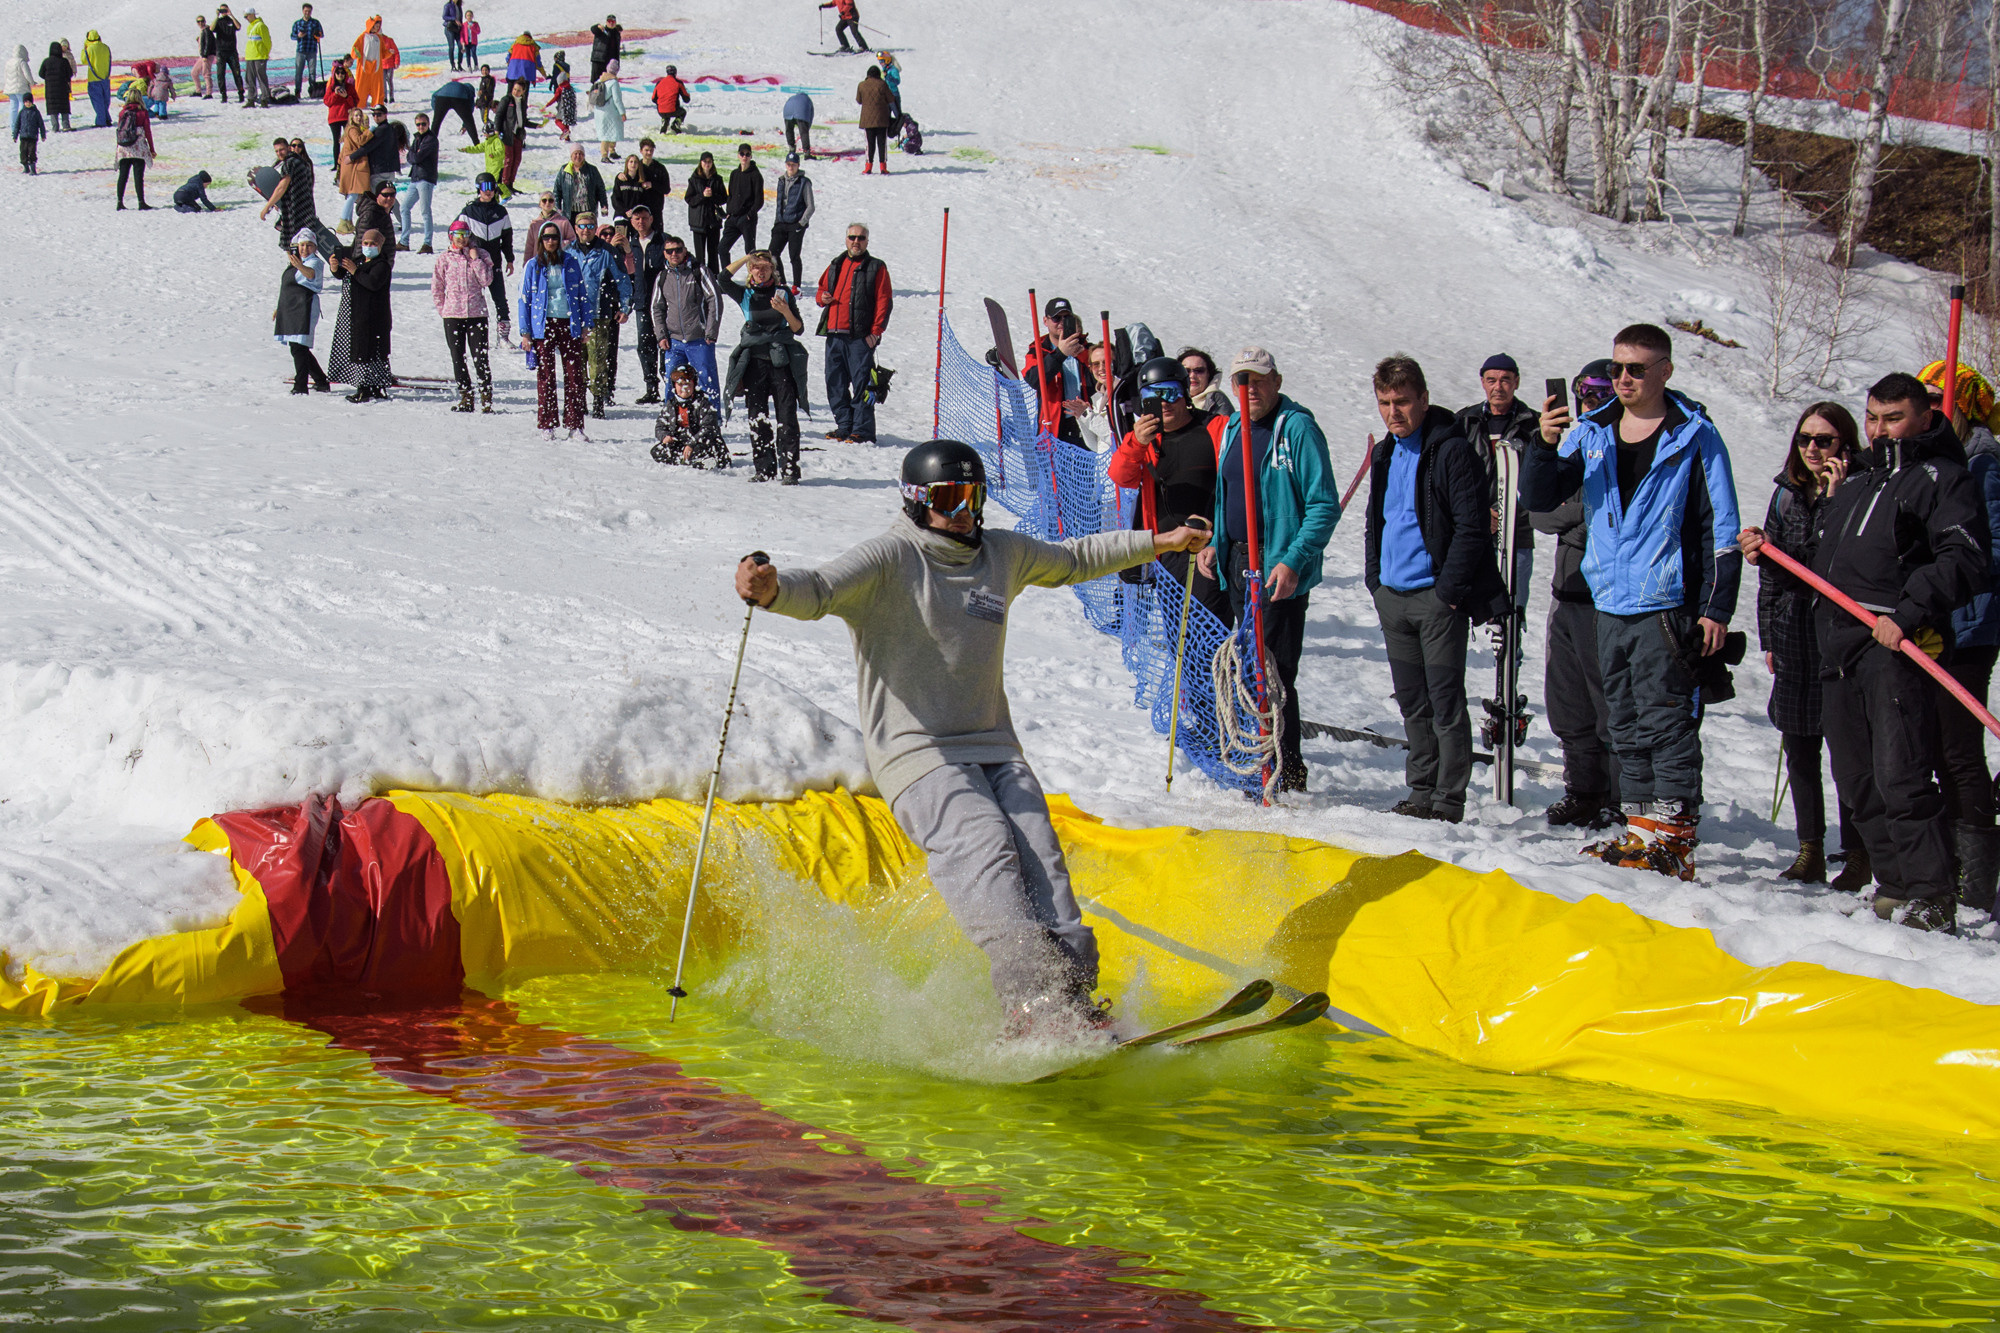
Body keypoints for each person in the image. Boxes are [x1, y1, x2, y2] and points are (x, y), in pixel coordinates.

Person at [734, 440, 1213, 1037]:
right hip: (915, 752)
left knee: (1042, 857)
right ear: (915, 502)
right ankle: (1030, 1002)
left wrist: (1159, 542)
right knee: (982, 841)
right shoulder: (892, 558)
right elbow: (823, 589)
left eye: (972, 496)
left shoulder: (1001, 554)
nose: (963, 511)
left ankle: (1072, 1000)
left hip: (991, 743)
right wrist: (773, 590)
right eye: (948, 498)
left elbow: (1074, 558)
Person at [1744, 373, 1986, 930]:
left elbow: (1966, 558)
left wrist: (1907, 613)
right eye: (1872, 417)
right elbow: (1829, 564)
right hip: (1839, 644)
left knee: (1900, 774)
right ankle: (1896, 880)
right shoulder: (1858, 481)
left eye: (1892, 418)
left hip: (1895, 644)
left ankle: (1932, 892)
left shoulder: (1943, 478)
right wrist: (1772, 552)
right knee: (1855, 781)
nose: (1878, 430)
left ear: (1924, 416)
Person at [1523, 323, 1742, 881]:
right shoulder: (1593, 430)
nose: (1623, 378)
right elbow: (1540, 498)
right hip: (1607, 600)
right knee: (1622, 721)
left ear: (1665, 371)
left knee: (1665, 720)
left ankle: (1676, 836)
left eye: (1637, 368)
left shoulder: (1695, 434)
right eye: (1617, 368)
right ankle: (1641, 829)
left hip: (1665, 602)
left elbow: (1722, 526)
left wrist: (1716, 608)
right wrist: (1544, 447)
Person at [1189, 348, 1343, 796]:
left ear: (1276, 380)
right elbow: (1226, 492)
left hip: (1275, 567)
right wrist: (1218, 541)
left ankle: (1284, 771)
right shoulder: (1235, 426)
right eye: (1241, 380)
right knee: (1248, 668)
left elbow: (1322, 505)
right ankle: (1259, 760)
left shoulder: (1297, 429)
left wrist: (1293, 561)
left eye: (1258, 379)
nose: (1249, 389)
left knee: (1272, 674)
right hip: (1237, 560)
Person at [1359, 354, 1502, 821]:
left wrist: (1448, 592)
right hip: (1393, 598)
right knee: (1412, 702)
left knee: (1445, 701)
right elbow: (1375, 523)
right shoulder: (1384, 452)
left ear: (1423, 398)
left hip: (1435, 598)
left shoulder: (1450, 449)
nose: (1393, 412)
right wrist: (1375, 581)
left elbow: (1471, 527)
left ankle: (1448, 798)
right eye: (1385, 403)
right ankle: (1421, 789)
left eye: (1402, 401)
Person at [1751, 402, 1864, 886]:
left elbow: (1833, 559)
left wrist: (1835, 498)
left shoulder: (1862, 491)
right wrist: (1769, 635)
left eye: (1825, 440)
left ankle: (1859, 851)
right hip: (1794, 630)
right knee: (1800, 748)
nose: (1813, 449)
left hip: (1840, 634)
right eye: (1805, 439)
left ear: (1845, 445)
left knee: (1848, 752)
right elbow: (1772, 575)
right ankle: (1809, 848)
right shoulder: (1785, 494)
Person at [1526, 359, 1620, 831]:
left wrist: (1578, 513)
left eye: (1602, 392)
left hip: (1607, 598)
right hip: (1566, 592)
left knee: (1609, 705)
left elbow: (1612, 514)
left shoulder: (1622, 443)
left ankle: (1619, 798)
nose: (1591, 401)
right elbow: (1539, 512)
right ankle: (1583, 790)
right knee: (1568, 703)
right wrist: (1582, 514)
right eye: (1585, 392)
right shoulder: (1575, 445)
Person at [1922, 360, 2000, 911]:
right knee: (1928, 744)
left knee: (1958, 747)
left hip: (1968, 625)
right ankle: (1942, 854)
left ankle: (1974, 877)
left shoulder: (1983, 463)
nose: (1929, 405)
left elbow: (1988, 550)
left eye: (1936, 396)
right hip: (1932, 622)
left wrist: (1960, 613)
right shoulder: (1932, 462)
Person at [1108, 357, 1230, 624]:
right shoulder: (1145, 438)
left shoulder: (1214, 427)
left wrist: (1221, 538)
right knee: (1177, 634)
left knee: (1205, 630)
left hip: (1207, 549)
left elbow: (1236, 481)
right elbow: (1121, 477)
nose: (1164, 402)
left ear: (1184, 392)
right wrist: (1137, 443)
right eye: (1153, 395)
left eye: (1171, 392)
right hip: (1167, 551)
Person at [1455, 352, 1541, 624]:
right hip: (1472, 533)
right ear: (1482, 382)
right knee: (1461, 610)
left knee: (1511, 614)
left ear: (1516, 382)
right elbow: (1455, 479)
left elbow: (1539, 483)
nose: (1498, 386)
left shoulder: (1535, 425)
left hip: (1518, 536)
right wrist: (1480, 515)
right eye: (1491, 380)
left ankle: (1509, 663)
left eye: (1505, 380)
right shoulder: (1464, 422)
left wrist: (1507, 515)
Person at [720, 250, 808, 483]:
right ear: (750, 270)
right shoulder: (745, 293)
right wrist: (745, 258)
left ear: (773, 270)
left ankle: (790, 470)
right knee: (757, 417)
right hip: (754, 363)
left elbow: (798, 328)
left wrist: (785, 311)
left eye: (765, 267)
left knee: (786, 417)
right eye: (756, 267)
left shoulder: (783, 293)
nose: (761, 271)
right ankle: (764, 469)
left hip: (780, 362)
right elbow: (722, 279)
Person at [815, 221, 891, 444]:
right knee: (835, 382)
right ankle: (845, 425)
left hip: (859, 336)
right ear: (846, 239)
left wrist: (876, 332)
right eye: (852, 238)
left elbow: (884, 301)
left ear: (867, 241)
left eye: (861, 238)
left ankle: (862, 430)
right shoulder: (836, 264)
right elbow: (821, 289)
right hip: (834, 334)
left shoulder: (876, 267)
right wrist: (822, 298)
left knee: (862, 385)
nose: (856, 242)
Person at [518, 220, 591, 438]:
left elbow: (581, 295)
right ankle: (547, 423)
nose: (550, 241)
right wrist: (525, 332)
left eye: (554, 237)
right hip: (544, 324)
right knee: (546, 375)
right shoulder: (533, 265)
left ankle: (575, 424)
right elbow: (525, 299)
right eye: (546, 237)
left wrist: (587, 325)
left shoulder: (570, 262)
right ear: (540, 241)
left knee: (574, 375)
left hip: (569, 323)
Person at [570, 212, 632, 418]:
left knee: (598, 360)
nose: (585, 230)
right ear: (576, 228)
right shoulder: (569, 251)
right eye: (581, 226)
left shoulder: (607, 252)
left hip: (598, 313)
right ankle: (579, 400)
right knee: (576, 360)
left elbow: (623, 280)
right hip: (574, 315)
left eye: (589, 226)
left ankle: (598, 400)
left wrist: (625, 307)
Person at [651, 231, 723, 403]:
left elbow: (715, 301)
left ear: (684, 251)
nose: (674, 254)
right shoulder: (662, 277)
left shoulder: (699, 272)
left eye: (678, 250)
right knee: (672, 381)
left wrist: (711, 331)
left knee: (707, 381)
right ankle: (672, 420)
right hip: (674, 341)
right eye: (670, 251)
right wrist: (661, 335)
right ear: (665, 254)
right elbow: (656, 307)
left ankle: (712, 421)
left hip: (699, 338)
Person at [431, 219, 495, 413]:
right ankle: (466, 396)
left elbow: (486, 280)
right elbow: (437, 287)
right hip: (453, 315)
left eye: (466, 235)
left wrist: (475, 259)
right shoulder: (444, 258)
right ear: (451, 236)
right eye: (458, 236)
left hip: (476, 314)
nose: (462, 239)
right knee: (457, 357)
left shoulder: (481, 254)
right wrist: (444, 310)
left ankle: (486, 398)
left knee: (480, 357)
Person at [330, 228, 393, 401]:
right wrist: (335, 268)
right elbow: (343, 275)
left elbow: (372, 283)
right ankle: (364, 386)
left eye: (373, 244)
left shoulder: (382, 265)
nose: (368, 246)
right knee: (360, 351)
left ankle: (369, 388)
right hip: (357, 314)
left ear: (380, 246)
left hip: (374, 317)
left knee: (371, 352)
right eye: (366, 243)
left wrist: (355, 271)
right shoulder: (357, 261)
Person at [1021, 297, 1090, 447]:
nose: (1062, 322)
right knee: (1052, 470)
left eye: (1066, 317)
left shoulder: (1086, 349)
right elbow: (1034, 380)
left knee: (1086, 470)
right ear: (1046, 321)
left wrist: (1081, 354)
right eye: (1057, 318)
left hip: (1086, 423)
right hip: (1055, 427)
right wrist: (1060, 354)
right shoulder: (1038, 351)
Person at [457, 172, 513, 340]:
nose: (488, 191)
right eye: (485, 187)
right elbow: (455, 233)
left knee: (500, 300)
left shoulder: (501, 212)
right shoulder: (468, 211)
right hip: (474, 263)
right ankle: (472, 335)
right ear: (478, 189)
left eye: (492, 187)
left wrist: (510, 259)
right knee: (472, 299)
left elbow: (507, 238)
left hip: (494, 263)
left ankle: (503, 336)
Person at [275, 229, 330, 393]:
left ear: (315, 248)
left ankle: (301, 385)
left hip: (304, 307)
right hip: (290, 308)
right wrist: (279, 309)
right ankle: (320, 381)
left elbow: (310, 275)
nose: (305, 249)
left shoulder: (314, 262)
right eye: (302, 245)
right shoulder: (295, 262)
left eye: (309, 245)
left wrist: (299, 265)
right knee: (297, 347)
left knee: (299, 347)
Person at [624, 205, 665, 403]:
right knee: (645, 345)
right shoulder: (629, 244)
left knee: (667, 344)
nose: (641, 222)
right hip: (641, 302)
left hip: (663, 303)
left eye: (644, 218)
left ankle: (673, 386)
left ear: (651, 218)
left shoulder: (664, 241)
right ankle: (651, 387)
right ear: (631, 221)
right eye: (637, 218)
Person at [652, 364, 726, 467]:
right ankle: (686, 461)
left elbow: (709, 428)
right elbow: (660, 425)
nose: (684, 388)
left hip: (701, 443)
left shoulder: (703, 403)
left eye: (688, 384)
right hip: (681, 442)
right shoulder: (671, 404)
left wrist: (692, 444)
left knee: (701, 450)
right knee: (657, 451)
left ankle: (704, 461)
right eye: (680, 384)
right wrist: (665, 436)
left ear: (694, 385)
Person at [259, 136, 320, 252]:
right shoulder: (300, 161)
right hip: (305, 209)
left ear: (288, 148)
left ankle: (298, 268)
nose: (279, 153)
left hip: (297, 211)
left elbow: (282, 187)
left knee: (294, 247)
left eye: (281, 150)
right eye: (276, 151)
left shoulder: (290, 163)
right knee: (304, 246)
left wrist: (267, 206)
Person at [768, 152, 815, 288]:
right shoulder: (781, 180)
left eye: (794, 165)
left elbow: (810, 206)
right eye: (789, 164)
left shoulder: (804, 182)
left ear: (798, 166)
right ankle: (781, 282)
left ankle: (796, 285)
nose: (791, 167)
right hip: (781, 223)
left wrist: (801, 223)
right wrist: (777, 222)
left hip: (795, 223)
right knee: (773, 253)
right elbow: (779, 203)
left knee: (794, 256)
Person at [399, 111, 438, 252]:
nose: (421, 127)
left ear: (428, 124)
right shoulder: (417, 139)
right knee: (404, 208)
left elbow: (416, 158)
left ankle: (427, 243)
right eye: (418, 124)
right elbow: (410, 157)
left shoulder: (430, 139)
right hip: (415, 178)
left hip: (425, 178)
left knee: (425, 211)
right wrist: (413, 155)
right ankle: (404, 241)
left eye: (423, 124)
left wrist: (413, 155)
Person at [113, 90, 155, 210]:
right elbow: (147, 131)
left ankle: (120, 202)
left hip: (124, 147)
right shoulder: (142, 112)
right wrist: (151, 149)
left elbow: (119, 130)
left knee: (123, 176)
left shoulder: (122, 112)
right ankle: (141, 202)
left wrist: (118, 147)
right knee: (138, 176)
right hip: (138, 148)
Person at [722, 143, 764, 264]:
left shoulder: (756, 175)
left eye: (747, 154)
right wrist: (728, 212)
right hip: (733, 218)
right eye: (742, 154)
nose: (744, 157)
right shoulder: (734, 174)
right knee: (722, 248)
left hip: (747, 219)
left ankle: (754, 279)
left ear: (751, 156)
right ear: (738, 156)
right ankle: (726, 278)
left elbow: (759, 200)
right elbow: (731, 195)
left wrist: (749, 215)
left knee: (750, 252)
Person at [684, 151, 726, 270]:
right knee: (700, 255)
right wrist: (702, 196)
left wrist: (712, 196)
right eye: (705, 162)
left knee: (713, 253)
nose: (707, 164)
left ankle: (714, 277)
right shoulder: (694, 179)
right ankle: (700, 276)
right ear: (700, 163)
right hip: (698, 221)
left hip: (713, 221)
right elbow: (689, 199)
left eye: (709, 162)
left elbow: (724, 198)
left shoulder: (717, 179)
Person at [334, 109, 371, 229]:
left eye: (360, 115)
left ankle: (348, 222)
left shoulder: (350, 129)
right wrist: (371, 131)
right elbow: (360, 141)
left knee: (352, 193)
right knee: (353, 194)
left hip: (349, 164)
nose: (359, 118)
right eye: (356, 115)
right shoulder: (353, 129)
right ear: (351, 117)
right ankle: (344, 220)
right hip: (353, 165)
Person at [554, 144, 607, 220]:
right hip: (570, 212)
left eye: (580, 154)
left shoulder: (592, 170)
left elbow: (600, 189)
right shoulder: (564, 170)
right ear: (571, 156)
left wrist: (604, 205)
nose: (578, 156)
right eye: (575, 153)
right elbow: (557, 191)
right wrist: (557, 207)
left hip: (588, 211)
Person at [494, 79, 529, 194]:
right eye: (514, 89)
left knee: (517, 159)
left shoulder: (522, 102)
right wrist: (497, 130)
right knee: (509, 159)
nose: (516, 92)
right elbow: (499, 115)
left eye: (519, 90)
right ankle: (504, 185)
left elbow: (523, 119)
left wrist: (536, 125)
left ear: (523, 91)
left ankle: (510, 183)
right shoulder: (506, 100)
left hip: (518, 134)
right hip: (507, 133)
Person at [856, 67, 894, 174]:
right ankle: (883, 167)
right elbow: (891, 99)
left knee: (869, 144)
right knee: (882, 144)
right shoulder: (883, 84)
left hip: (867, 120)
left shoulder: (861, 85)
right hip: (882, 119)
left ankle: (868, 167)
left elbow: (859, 100)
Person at [350, 16, 392, 109]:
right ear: (371, 25)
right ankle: (359, 105)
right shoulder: (362, 37)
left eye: (378, 26)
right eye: (375, 26)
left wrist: (389, 53)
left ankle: (377, 105)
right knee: (361, 88)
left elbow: (383, 53)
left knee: (377, 88)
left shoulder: (379, 38)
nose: (377, 28)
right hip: (364, 67)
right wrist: (357, 54)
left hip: (376, 68)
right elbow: (354, 49)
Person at [322, 58, 356, 165]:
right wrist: (335, 94)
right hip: (334, 118)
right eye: (338, 73)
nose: (340, 75)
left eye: (342, 73)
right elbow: (327, 102)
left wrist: (346, 97)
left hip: (346, 117)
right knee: (336, 142)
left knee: (348, 141)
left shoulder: (350, 87)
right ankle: (336, 164)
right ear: (335, 74)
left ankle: (348, 161)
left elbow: (355, 103)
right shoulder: (331, 88)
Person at [1178, 346, 1229, 416]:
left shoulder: (1217, 400)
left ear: (1208, 374)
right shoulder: (1168, 398)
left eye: (1199, 371)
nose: (1192, 375)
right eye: (1186, 371)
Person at [592, 62, 626, 163]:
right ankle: (605, 154)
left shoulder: (599, 80)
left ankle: (611, 151)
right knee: (609, 132)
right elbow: (617, 100)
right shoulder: (613, 83)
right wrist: (622, 112)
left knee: (607, 131)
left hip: (599, 111)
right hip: (610, 112)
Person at [38, 43, 73, 133]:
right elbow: (70, 73)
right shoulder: (64, 61)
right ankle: (66, 125)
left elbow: (41, 73)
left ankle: (55, 127)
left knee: (53, 109)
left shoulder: (46, 61)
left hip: (51, 90)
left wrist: (48, 78)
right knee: (64, 107)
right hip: (63, 88)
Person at [213, 5, 245, 104]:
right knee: (220, 74)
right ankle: (223, 95)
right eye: (222, 10)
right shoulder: (218, 21)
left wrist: (231, 15)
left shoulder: (231, 20)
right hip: (221, 52)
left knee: (237, 73)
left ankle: (240, 93)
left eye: (225, 10)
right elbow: (211, 28)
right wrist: (216, 16)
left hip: (232, 51)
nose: (224, 12)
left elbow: (239, 26)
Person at [291, 4, 324, 101]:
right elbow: (292, 36)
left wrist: (318, 35)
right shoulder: (297, 23)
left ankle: (312, 90)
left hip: (312, 50)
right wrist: (298, 35)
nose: (307, 13)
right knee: (298, 72)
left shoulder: (315, 23)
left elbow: (321, 34)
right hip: (301, 50)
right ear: (302, 11)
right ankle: (297, 91)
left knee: (312, 72)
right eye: (306, 11)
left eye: (309, 11)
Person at [431, 78, 479, 143]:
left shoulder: (449, 85)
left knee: (436, 123)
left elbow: (434, 95)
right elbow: (470, 108)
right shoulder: (468, 90)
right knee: (470, 123)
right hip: (459, 97)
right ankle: (476, 143)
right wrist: (465, 125)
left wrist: (437, 110)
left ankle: (430, 144)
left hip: (442, 97)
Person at [633, 138, 671, 218]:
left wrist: (653, 185)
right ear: (641, 151)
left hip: (655, 210)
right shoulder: (636, 167)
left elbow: (666, 189)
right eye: (646, 150)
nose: (649, 153)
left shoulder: (660, 168)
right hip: (639, 210)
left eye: (651, 150)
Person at [543, 52, 576, 141]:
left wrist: (551, 83)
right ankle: (567, 136)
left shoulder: (556, 65)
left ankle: (565, 130)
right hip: (567, 94)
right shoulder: (567, 66)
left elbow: (555, 77)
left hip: (559, 89)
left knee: (558, 119)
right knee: (565, 118)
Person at [83, 30, 112, 129]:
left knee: (97, 100)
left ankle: (101, 121)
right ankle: (107, 118)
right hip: (105, 77)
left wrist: (85, 48)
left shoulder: (89, 49)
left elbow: (83, 60)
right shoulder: (106, 47)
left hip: (94, 78)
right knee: (105, 100)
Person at [244, 9, 273, 107]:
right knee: (250, 79)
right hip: (250, 56)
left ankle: (265, 98)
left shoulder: (261, 26)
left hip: (259, 55)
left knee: (261, 77)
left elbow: (267, 41)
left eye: (247, 16)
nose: (246, 18)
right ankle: (251, 99)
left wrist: (266, 53)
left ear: (252, 15)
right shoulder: (249, 26)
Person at [13, 92, 45, 174]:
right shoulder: (22, 112)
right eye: (26, 102)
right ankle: (26, 167)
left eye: (29, 102)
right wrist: (15, 135)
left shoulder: (35, 112)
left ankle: (33, 169)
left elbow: (41, 124)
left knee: (31, 152)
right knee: (23, 152)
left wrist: (43, 135)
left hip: (32, 137)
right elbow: (17, 124)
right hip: (23, 137)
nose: (28, 103)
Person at [651, 64, 687, 134]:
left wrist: (661, 103)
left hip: (661, 111)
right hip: (673, 109)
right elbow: (686, 99)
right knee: (683, 112)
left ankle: (665, 122)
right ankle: (676, 124)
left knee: (665, 112)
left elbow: (653, 99)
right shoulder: (678, 83)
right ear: (675, 73)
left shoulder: (659, 82)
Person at [5, 46, 32, 140]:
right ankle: (22, 126)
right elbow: (27, 74)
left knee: (13, 107)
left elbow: (6, 75)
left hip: (10, 88)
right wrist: (32, 82)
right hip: (21, 87)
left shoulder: (8, 62)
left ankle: (13, 127)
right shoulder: (21, 62)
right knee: (22, 105)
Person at [589, 14, 623, 84]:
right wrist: (597, 26)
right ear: (606, 22)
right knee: (597, 82)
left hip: (610, 63)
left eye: (613, 21)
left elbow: (616, 50)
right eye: (609, 21)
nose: (611, 23)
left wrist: (617, 63)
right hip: (599, 60)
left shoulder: (616, 34)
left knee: (608, 82)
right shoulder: (602, 30)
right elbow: (593, 29)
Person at [783, 90, 815, 160]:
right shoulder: (807, 100)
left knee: (789, 130)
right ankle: (806, 152)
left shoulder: (792, 97)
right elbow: (811, 114)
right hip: (801, 114)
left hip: (787, 112)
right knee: (803, 133)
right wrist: (807, 127)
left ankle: (791, 148)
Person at [195, 16, 216, 98]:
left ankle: (209, 93)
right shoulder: (203, 31)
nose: (200, 23)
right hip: (203, 55)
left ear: (205, 21)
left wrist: (205, 55)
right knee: (194, 73)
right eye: (198, 21)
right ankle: (198, 91)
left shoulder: (207, 30)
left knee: (206, 73)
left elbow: (208, 44)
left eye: (202, 21)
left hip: (206, 55)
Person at [879, 51, 903, 124]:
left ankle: (901, 126)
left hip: (893, 94)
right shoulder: (884, 70)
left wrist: (888, 77)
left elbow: (897, 81)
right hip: (885, 95)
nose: (881, 63)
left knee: (897, 113)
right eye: (880, 62)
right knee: (886, 113)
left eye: (882, 61)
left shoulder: (893, 70)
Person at [443, 0, 464, 71]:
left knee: (461, 46)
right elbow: (444, 16)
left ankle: (459, 64)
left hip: (457, 29)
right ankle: (453, 65)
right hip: (450, 28)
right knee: (451, 47)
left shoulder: (459, 6)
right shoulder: (448, 5)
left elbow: (460, 18)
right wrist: (454, 19)